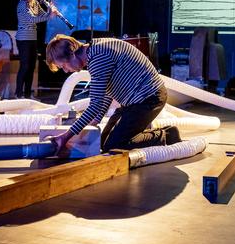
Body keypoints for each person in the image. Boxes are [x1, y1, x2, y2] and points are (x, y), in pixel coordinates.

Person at [45, 35, 181, 155]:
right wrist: (95, 121)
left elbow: (95, 105)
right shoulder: (96, 49)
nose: (66, 71)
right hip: (134, 101)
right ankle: (140, 132)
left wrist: (66, 136)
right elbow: (106, 94)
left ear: (72, 55)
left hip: (148, 99)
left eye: (63, 66)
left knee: (115, 146)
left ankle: (168, 135)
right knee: (103, 143)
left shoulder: (98, 59)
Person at [15, 0, 60, 99]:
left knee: (32, 67)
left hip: (32, 38)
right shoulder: (22, 4)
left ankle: (27, 95)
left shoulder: (35, 3)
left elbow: (42, 15)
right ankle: (18, 94)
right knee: (24, 66)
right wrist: (49, 16)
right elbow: (32, 19)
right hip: (23, 39)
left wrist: (50, 10)